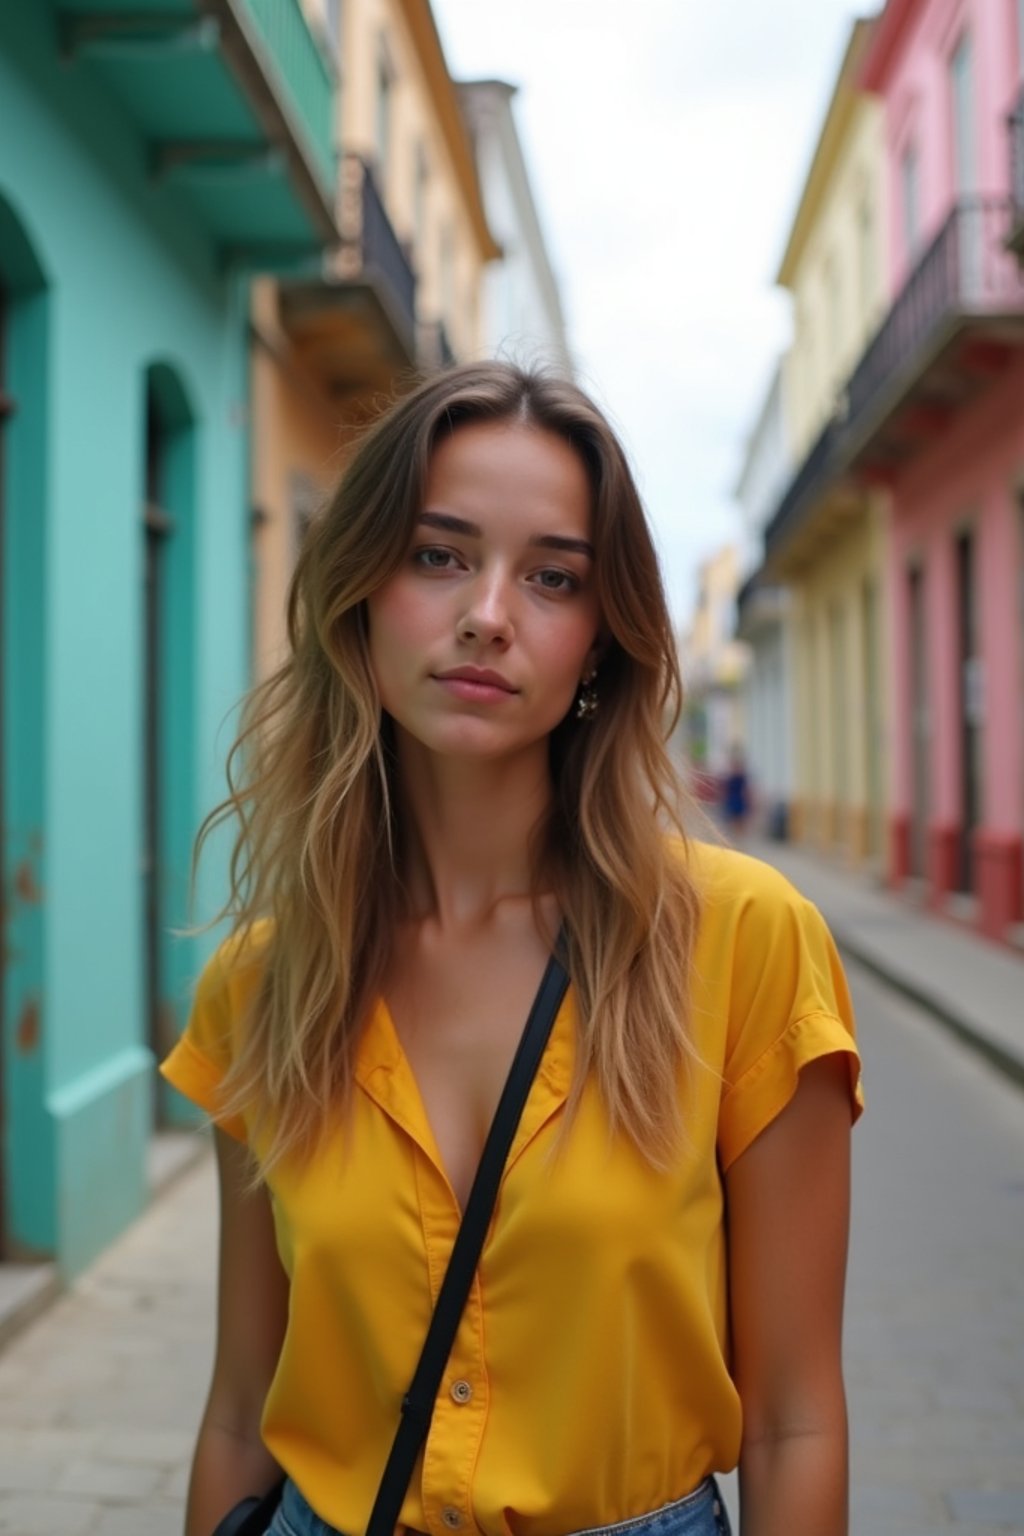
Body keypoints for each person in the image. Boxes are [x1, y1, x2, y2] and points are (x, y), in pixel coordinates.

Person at [162, 362, 863, 1536]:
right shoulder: (266, 984)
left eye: (552, 576)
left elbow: (797, 1418)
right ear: (360, 594)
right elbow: (241, 1410)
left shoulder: (740, 943)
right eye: (439, 555)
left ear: (600, 639)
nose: (489, 610)